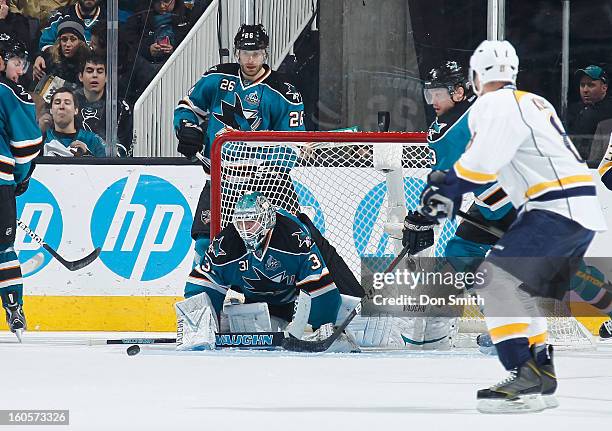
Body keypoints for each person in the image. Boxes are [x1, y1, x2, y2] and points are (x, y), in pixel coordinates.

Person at [418, 40, 606, 413]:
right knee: (517, 290)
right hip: (573, 206)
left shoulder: (494, 105)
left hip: (554, 207)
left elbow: (482, 162)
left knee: (495, 281)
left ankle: (524, 372)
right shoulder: (533, 102)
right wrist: (450, 188)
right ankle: (541, 370)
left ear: (475, 77)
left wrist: (446, 188)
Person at [173, 23, 307, 292]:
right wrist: (187, 129)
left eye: (256, 53)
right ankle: (201, 309)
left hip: (269, 185)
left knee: (295, 241)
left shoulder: (284, 91)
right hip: (222, 180)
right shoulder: (216, 79)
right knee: (204, 243)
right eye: (245, 53)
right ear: (236, 52)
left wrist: (267, 167)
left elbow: (293, 143)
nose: (250, 59)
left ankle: (304, 301)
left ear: (265, 53)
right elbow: (188, 108)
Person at [0, 36, 43, 341]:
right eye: (16, 63)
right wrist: (21, 179)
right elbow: (26, 147)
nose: (20, 71)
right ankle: (14, 308)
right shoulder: (10, 91)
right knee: (3, 249)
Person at [122, 0, 205, 103]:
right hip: (146, 71)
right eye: (157, 2)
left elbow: (194, 41)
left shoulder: (188, 15)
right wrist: (147, 50)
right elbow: (128, 44)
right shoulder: (140, 17)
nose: (162, 6)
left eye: (166, 1)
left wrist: (175, 50)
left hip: (180, 69)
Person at [76, 53, 133, 157]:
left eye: (100, 71)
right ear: (80, 76)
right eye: (89, 71)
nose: (94, 75)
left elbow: (124, 147)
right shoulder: (69, 103)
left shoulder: (120, 107)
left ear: (106, 77)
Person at [34, 0, 105, 78]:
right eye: (64, 39)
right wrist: (41, 56)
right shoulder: (61, 15)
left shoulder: (110, 19)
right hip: (61, 73)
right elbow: (45, 46)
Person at [43, 86, 106, 157]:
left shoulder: (92, 140)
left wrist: (87, 156)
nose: (61, 106)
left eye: (67, 103)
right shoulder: (41, 139)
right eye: (57, 103)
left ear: (76, 110)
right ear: (51, 110)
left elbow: (108, 167)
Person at [567, 65, 612, 159]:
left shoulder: (609, 110)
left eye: (591, 85)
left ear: (604, 88)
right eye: (582, 85)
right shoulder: (575, 109)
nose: (585, 90)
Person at [33, 18, 89, 85]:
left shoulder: (88, 62)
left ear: (80, 43)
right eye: (64, 39)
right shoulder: (47, 59)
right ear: (59, 42)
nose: (68, 44)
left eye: (73, 39)